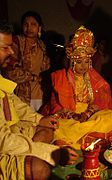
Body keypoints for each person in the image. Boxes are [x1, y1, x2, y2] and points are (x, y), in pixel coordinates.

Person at [0, 21, 79, 180]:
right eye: (4, 47)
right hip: (4, 145)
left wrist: (40, 119)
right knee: (39, 168)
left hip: (14, 132)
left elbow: (15, 104)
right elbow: (4, 142)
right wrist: (50, 153)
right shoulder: (59, 75)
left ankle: (30, 153)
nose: (11, 52)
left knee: (48, 129)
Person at [40, 26, 112, 149]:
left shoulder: (95, 79)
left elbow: (101, 104)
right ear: (72, 62)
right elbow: (55, 105)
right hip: (68, 116)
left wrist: (87, 113)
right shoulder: (60, 77)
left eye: (86, 62)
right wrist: (71, 115)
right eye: (79, 62)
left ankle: (86, 139)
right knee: (59, 126)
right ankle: (73, 143)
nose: (83, 66)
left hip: (89, 115)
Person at [2, 11, 50, 111]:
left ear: (39, 28)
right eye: (26, 24)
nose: (29, 28)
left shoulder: (42, 46)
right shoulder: (15, 43)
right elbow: (9, 72)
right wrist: (31, 77)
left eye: (33, 24)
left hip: (40, 93)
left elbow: (46, 70)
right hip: (21, 95)